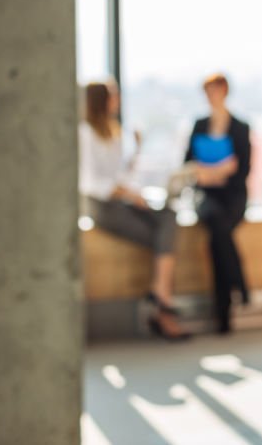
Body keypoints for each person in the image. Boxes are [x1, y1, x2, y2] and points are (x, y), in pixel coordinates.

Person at [79, 80, 189, 340]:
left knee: (168, 216)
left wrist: (136, 151)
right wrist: (128, 193)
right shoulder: (84, 133)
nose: (117, 99)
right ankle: (162, 303)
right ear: (101, 100)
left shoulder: (114, 131)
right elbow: (90, 182)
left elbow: (121, 174)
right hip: (101, 206)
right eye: (113, 95)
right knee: (164, 239)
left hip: (121, 200)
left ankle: (160, 295)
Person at [185, 73, 250, 334]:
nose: (210, 96)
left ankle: (223, 312)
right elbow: (188, 165)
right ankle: (239, 284)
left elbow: (242, 169)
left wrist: (213, 171)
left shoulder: (240, 127)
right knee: (217, 224)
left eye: (214, 90)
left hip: (232, 196)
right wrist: (218, 171)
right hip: (206, 196)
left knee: (218, 233)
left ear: (224, 91)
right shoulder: (199, 125)